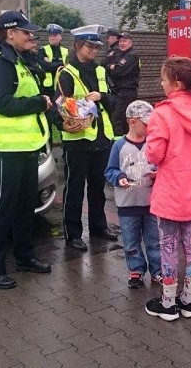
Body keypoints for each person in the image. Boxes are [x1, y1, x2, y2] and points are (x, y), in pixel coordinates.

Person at [0, 10, 53, 290]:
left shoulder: (18, 59)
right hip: (5, 148)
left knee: (24, 205)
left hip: (26, 145)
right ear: (10, 33)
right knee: (3, 208)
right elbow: (4, 104)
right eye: (26, 32)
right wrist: (39, 102)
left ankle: (25, 256)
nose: (30, 37)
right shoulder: (0, 61)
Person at [144, 56, 191, 322]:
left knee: (167, 246)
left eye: (163, 79)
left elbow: (155, 154)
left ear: (175, 83)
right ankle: (188, 301)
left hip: (171, 193)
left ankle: (168, 302)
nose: (160, 84)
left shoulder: (163, 113)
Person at [55, 24, 119, 252]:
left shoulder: (100, 71)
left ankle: (98, 227)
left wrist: (101, 96)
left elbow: (114, 100)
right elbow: (59, 106)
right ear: (77, 46)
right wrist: (68, 119)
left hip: (101, 137)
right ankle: (73, 234)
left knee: (97, 188)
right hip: (78, 140)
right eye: (90, 46)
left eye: (96, 46)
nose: (94, 50)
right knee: (74, 189)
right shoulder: (67, 73)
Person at [104, 100, 161, 289]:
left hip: (152, 203)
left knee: (154, 241)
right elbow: (110, 170)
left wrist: (158, 175)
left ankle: (157, 271)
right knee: (131, 242)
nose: (149, 127)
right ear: (132, 121)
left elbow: (161, 165)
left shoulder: (153, 144)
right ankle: (136, 271)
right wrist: (118, 176)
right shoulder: (119, 146)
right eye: (146, 123)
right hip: (128, 205)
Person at [105, 31, 141, 137]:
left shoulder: (132, 55)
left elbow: (119, 71)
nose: (122, 43)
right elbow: (105, 64)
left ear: (130, 42)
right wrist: (112, 66)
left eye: (124, 41)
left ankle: (118, 146)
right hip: (118, 91)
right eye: (120, 41)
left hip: (127, 92)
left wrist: (113, 67)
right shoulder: (121, 54)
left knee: (117, 120)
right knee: (124, 120)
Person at [37, 24, 69, 100]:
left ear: (60, 37)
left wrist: (51, 64)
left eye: (54, 36)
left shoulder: (66, 51)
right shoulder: (42, 50)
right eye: (50, 36)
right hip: (47, 88)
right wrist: (62, 64)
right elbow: (44, 67)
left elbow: (68, 67)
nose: (51, 38)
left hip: (62, 85)